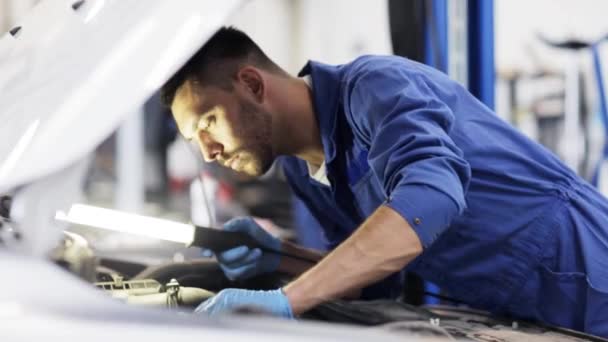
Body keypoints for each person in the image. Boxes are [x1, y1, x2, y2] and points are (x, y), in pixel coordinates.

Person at [161, 27, 608, 337]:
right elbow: (368, 281)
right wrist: (279, 258)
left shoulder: (374, 87)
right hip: (523, 314)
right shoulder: (301, 169)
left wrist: (287, 299)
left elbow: (432, 199)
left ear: (252, 85)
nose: (207, 151)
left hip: (589, 271)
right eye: (193, 140)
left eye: (209, 122)